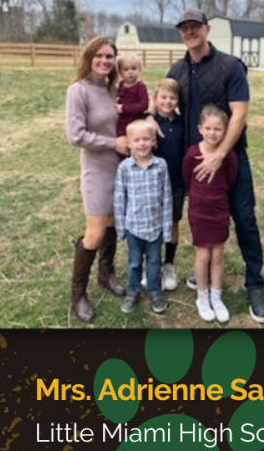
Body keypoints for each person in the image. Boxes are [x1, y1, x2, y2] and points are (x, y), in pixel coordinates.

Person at [166, 8, 264, 324]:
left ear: (207, 29)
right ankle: (203, 274)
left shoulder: (230, 67)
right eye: (185, 28)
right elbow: (165, 107)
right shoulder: (177, 71)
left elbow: (240, 113)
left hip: (230, 159)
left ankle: (255, 284)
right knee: (201, 220)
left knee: (245, 219)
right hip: (195, 162)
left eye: (195, 26)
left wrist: (221, 154)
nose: (190, 32)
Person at [65, 36, 128, 324]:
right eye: (99, 55)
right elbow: (75, 135)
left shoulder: (114, 89)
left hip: (121, 168)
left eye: (109, 56)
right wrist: (113, 143)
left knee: (113, 223)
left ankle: (106, 274)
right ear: (89, 58)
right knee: (94, 233)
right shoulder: (78, 91)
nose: (104, 61)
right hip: (97, 170)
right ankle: (77, 293)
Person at [183, 106, 237, 323]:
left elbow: (231, 179)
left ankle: (216, 295)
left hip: (219, 210)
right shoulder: (192, 153)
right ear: (200, 128)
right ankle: (202, 296)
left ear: (225, 131)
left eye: (218, 129)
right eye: (208, 128)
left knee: (218, 255)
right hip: (199, 212)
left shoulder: (227, 155)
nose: (212, 133)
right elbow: (187, 177)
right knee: (203, 254)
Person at [113, 119, 173, 315]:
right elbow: (120, 198)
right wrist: (121, 228)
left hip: (155, 227)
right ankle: (133, 290)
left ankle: (154, 290)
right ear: (129, 143)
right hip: (134, 227)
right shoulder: (125, 168)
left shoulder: (160, 165)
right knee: (134, 262)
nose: (141, 144)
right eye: (136, 140)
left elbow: (167, 197)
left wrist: (167, 229)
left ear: (153, 141)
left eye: (146, 139)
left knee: (154, 261)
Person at [151, 78, 185, 291]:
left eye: (173, 97)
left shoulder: (182, 123)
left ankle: (169, 265)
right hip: (153, 184)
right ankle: (151, 265)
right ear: (155, 99)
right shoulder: (150, 123)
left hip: (176, 182)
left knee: (173, 222)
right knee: (153, 223)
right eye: (163, 97)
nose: (168, 101)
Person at [114, 52, 149, 138]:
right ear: (120, 72)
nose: (130, 72)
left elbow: (143, 106)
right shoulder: (120, 85)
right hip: (122, 122)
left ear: (139, 69)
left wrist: (124, 108)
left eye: (134, 68)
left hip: (136, 121)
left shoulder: (140, 87)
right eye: (126, 69)